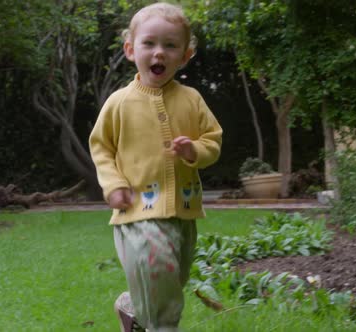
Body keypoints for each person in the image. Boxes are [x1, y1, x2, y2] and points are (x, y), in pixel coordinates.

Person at [89, 2, 223, 331]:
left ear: (185, 56)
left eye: (170, 45)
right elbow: (101, 147)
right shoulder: (119, 103)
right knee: (157, 267)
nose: (159, 53)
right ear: (131, 50)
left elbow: (213, 141)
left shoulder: (192, 100)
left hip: (183, 208)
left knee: (171, 277)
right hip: (137, 210)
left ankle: (132, 308)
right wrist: (113, 185)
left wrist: (194, 150)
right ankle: (163, 326)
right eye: (149, 44)